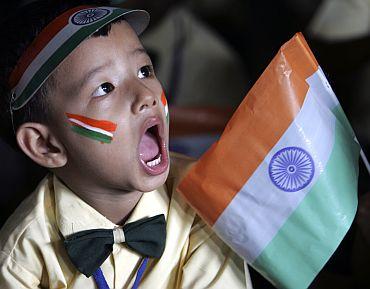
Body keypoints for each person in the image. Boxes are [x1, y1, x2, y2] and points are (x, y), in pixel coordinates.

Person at [0, 0, 250, 288]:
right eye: (105, 88)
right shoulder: (20, 259)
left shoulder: (206, 201)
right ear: (46, 145)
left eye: (144, 70)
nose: (146, 95)